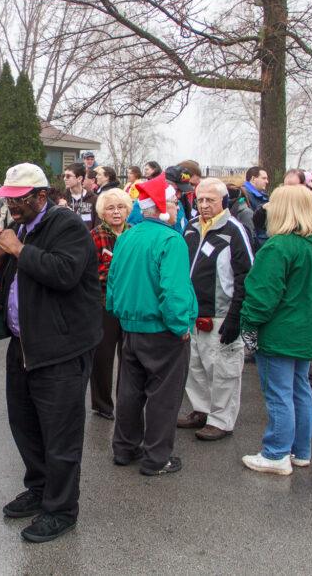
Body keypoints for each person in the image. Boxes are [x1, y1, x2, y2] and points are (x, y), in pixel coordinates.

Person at [0, 163, 102, 543]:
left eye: (19, 201)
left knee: (61, 435)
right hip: (24, 345)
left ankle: (61, 509)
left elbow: (65, 273)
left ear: (41, 195)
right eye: (8, 200)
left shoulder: (66, 225)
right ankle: (39, 489)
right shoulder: (22, 227)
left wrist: (18, 249)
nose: (12, 207)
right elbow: (17, 283)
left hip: (60, 348)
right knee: (25, 426)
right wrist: (2, 258)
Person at [106, 174, 197, 480]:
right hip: (162, 330)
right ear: (160, 207)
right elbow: (174, 291)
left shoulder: (127, 237)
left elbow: (113, 283)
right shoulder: (171, 240)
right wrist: (180, 325)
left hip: (132, 326)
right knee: (164, 395)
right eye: (173, 203)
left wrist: (119, 312)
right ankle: (157, 457)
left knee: (130, 390)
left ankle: (124, 447)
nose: (177, 208)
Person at [239, 185, 312, 475]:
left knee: (279, 394)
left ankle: (276, 452)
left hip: (280, 333)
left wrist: (249, 327)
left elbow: (261, 296)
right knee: (300, 390)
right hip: (306, 332)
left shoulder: (279, 247)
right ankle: (300, 450)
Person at [178, 177, 253, 440]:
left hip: (221, 314)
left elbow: (246, 275)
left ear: (223, 201)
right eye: (200, 199)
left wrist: (236, 315)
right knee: (195, 367)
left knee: (223, 370)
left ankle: (221, 420)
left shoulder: (234, 231)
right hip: (192, 313)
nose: (204, 205)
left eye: (210, 200)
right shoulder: (190, 227)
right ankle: (201, 409)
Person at [88, 187, 134, 420]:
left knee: (130, 358)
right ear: (102, 213)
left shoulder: (135, 233)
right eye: (110, 208)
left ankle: (127, 402)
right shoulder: (95, 235)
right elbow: (89, 272)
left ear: (128, 210)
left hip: (130, 305)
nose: (116, 212)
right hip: (103, 304)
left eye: (120, 207)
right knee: (102, 358)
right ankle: (102, 405)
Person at [62, 163, 99, 229]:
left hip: (88, 237)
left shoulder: (94, 199)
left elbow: (98, 225)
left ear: (79, 178)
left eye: (68, 176)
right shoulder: (62, 198)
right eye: (63, 176)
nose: (65, 179)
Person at [242, 166, 270, 247]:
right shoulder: (246, 195)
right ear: (253, 179)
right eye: (264, 178)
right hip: (257, 243)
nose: (267, 181)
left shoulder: (260, 195)